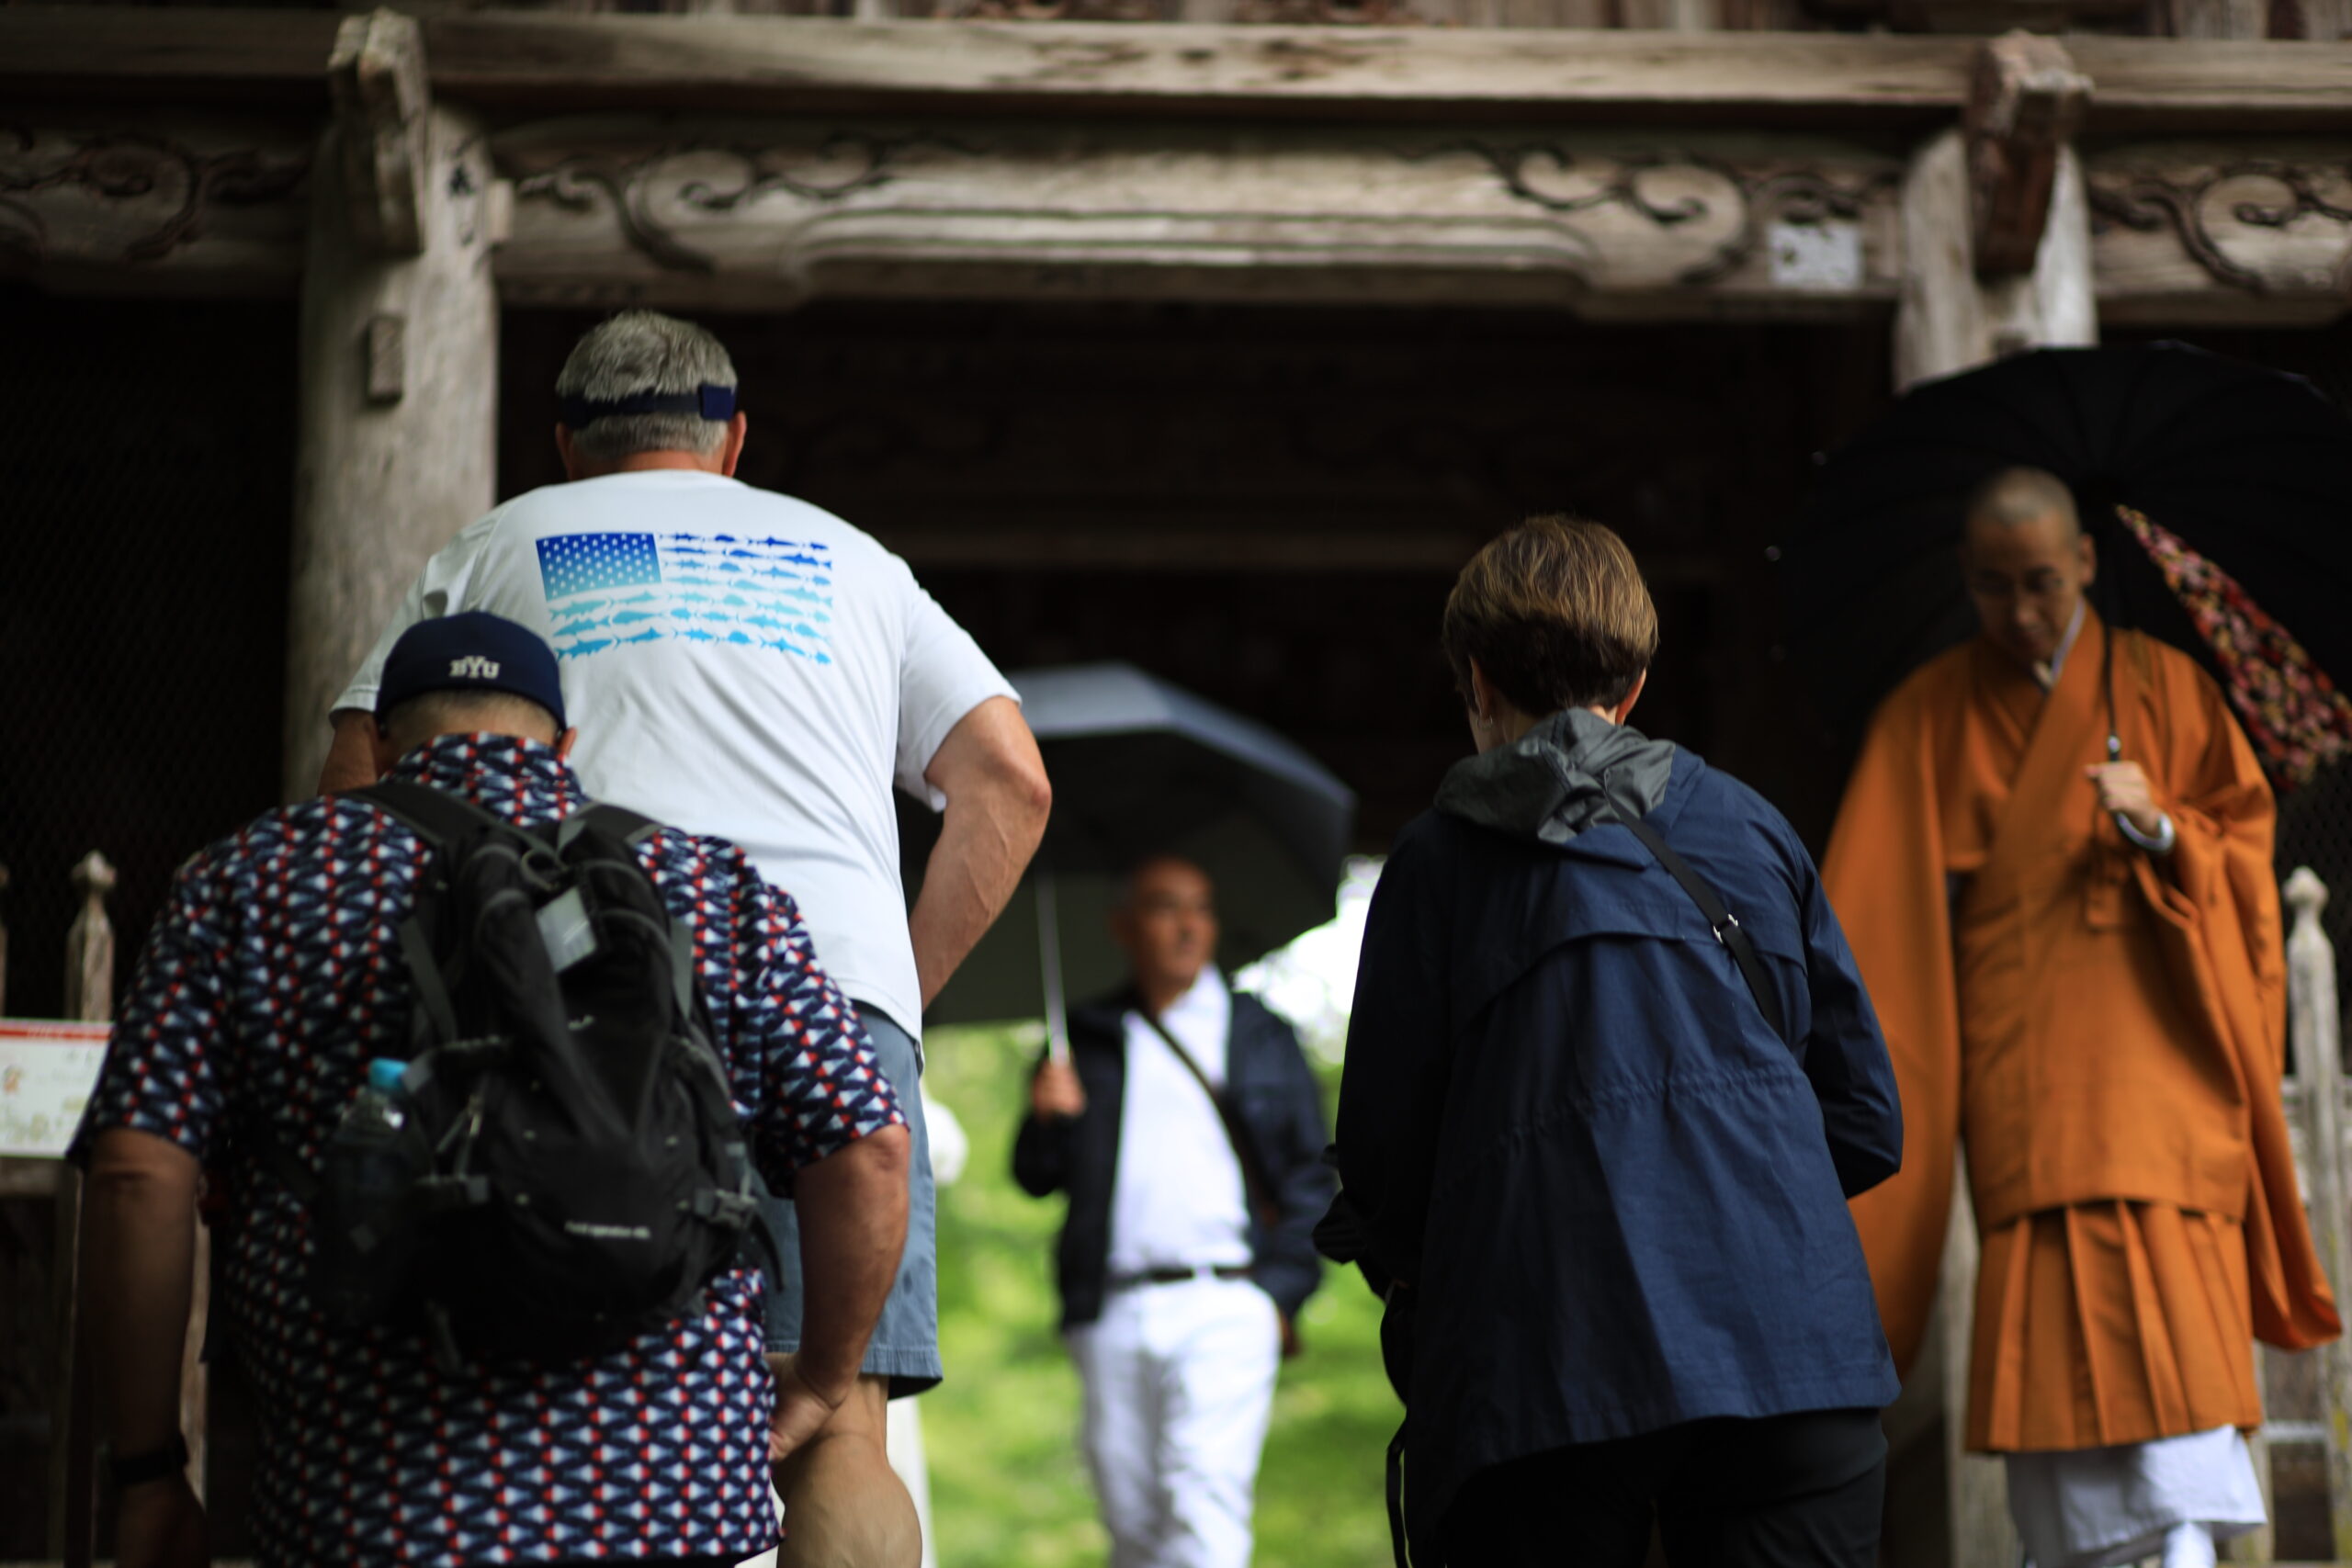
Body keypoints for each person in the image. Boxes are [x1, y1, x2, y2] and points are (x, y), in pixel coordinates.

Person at [316, 310, 1051, 1566]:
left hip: (566, 989)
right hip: (831, 993)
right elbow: (1010, 780)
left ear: (564, 441)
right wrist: (887, 994)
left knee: (549, 1378)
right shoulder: (850, 557)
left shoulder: (495, 544)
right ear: (734, 439)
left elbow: (354, 784)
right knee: (841, 1427)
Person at [75, 613, 910, 1568]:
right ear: (563, 743)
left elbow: (138, 1172)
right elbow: (870, 1146)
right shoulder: (713, 888)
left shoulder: (251, 880)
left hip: (372, 1505)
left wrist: (146, 1475)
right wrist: (820, 1378)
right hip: (674, 1504)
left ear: (380, 743)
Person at [1334, 517, 1904, 1567]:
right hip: (1792, 1348)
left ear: (1476, 683)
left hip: (1542, 1362)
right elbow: (1865, 1121)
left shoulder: (1436, 863)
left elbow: (1383, 1165)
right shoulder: (1750, 829)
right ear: (1634, 686)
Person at [1826, 468, 2339, 1568]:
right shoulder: (1925, 717)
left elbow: (2243, 866)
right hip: (2031, 1103)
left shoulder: (2169, 689)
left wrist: (2165, 832)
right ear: (1964, 581)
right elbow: (1869, 938)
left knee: (2182, 1431)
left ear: (2089, 565)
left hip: (2161, 1089)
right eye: (1995, 588)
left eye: (2044, 584)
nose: (2021, 612)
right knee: (2060, 1463)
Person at [1012, 854, 1332, 1568]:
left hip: (1229, 1301)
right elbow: (1035, 1177)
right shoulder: (1085, 1038)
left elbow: (1315, 1174)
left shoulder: (1261, 1034)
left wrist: (1278, 1297)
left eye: (1202, 907)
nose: (1189, 925)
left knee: (1202, 1499)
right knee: (1131, 1521)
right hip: (1112, 1309)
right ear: (1123, 925)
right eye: (1166, 906)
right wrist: (1045, 1118)